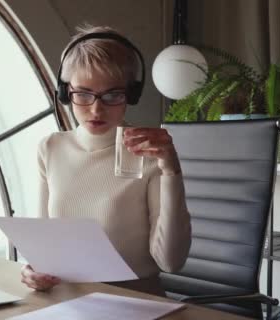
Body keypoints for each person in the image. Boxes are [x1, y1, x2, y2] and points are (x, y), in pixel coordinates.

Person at [20, 25, 192, 296]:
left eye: (113, 95)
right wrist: (33, 270)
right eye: (83, 94)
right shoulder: (51, 148)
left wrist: (171, 171)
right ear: (66, 93)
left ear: (130, 95)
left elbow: (171, 262)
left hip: (134, 300)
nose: (96, 109)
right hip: (67, 301)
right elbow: (46, 247)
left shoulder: (151, 154)